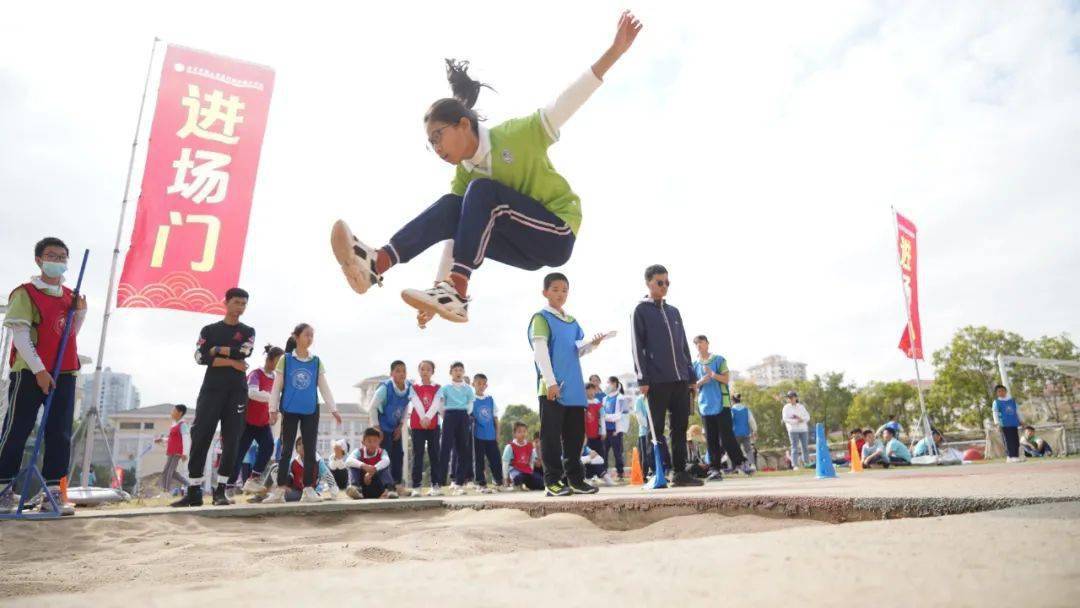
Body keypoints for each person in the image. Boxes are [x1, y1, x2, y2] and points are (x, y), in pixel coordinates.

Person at [330, 11, 643, 326]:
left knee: (480, 192)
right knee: (455, 205)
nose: (437, 149)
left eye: (438, 137)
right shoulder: (464, 174)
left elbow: (569, 100)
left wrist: (614, 51)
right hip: (521, 248)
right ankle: (378, 263)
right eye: (431, 144)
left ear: (463, 125)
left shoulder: (518, 134)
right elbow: (455, 234)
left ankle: (456, 288)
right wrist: (437, 296)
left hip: (557, 232)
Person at [0, 237, 87, 515]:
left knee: (60, 433)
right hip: (29, 372)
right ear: (39, 259)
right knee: (17, 430)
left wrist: (80, 311)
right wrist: (39, 371)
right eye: (52, 256)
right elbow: (22, 336)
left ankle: (52, 494)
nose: (58, 261)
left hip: (66, 371)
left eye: (62, 257)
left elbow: (68, 334)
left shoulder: (69, 296)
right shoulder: (25, 293)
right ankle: (3, 489)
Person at [171, 288, 255, 508]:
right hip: (211, 389)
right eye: (236, 302)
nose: (240, 307)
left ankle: (221, 491)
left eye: (244, 304)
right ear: (225, 302)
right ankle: (194, 491)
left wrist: (216, 352)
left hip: (236, 391)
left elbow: (244, 352)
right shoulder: (209, 329)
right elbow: (200, 357)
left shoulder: (248, 331)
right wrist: (229, 359)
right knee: (200, 436)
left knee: (232, 440)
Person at [530, 272, 610, 497]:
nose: (560, 294)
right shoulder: (541, 318)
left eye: (564, 290)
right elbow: (540, 353)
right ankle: (552, 481)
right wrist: (550, 382)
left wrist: (592, 344)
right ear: (545, 292)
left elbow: (577, 350)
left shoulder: (572, 321)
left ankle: (575, 479)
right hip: (553, 388)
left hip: (574, 389)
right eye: (555, 289)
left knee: (575, 437)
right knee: (551, 437)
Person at [631, 264, 701, 487]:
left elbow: (683, 346)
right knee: (657, 430)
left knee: (680, 428)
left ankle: (680, 473)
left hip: (680, 379)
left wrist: (691, 377)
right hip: (656, 381)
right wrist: (642, 378)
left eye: (667, 283)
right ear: (648, 283)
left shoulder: (674, 312)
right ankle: (662, 471)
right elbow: (636, 346)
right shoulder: (640, 311)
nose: (664, 287)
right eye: (660, 283)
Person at [264, 324, 342, 504]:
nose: (310, 338)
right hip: (290, 410)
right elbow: (277, 386)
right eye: (307, 335)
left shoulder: (316, 361)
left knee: (310, 449)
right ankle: (280, 490)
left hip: (310, 410)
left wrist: (334, 409)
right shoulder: (285, 359)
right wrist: (272, 409)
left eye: (312, 336)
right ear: (296, 337)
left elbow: (324, 387)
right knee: (286, 450)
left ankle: (308, 489)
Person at [229, 344, 283, 495]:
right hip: (246, 422)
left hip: (262, 423)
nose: (280, 366)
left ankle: (252, 479)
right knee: (239, 455)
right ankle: (228, 488)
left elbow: (274, 400)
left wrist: (274, 411)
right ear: (270, 360)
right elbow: (252, 393)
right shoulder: (256, 373)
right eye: (278, 362)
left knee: (268, 447)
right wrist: (272, 397)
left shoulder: (276, 378)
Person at [692, 335, 749, 479]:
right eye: (697, 343)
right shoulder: (694, 365)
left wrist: (712, 374)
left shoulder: (719, 360)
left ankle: (741, 462)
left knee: (727, 436)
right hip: (705, 405)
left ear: (707, 344)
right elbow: (692, 386)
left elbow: (726, 378)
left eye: (701, 342)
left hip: (721, 403)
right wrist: (701, 381)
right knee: (711, 439)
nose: (699, 345)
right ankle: (715, 468)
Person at [435, 362, 476, 495]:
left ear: (463, 372)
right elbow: (441, 405)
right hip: (449, 416)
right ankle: (438, 483)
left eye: (460, 370)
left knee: (462, 450)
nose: (458, 372)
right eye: (455, 370)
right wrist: (445, 416)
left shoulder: (468, 389)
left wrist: (465, 414)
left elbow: (470, 404)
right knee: (445, 449)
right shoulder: (445, 388)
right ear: (451, 372)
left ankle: (459, 483)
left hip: (463, 416)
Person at [372, 360, 413, 489]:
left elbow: (406, 407)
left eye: (404, 371)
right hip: (383, 425)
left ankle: (397, 484)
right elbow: (372, 407)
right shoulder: (385, 388)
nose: (402, 373)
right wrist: (377, 428)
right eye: (398, 371)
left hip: (396, 426)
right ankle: (384, 485)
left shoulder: (408, 388)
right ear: (392, 373)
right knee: (385, 455)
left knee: (398, 454)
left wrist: (401, 426)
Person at [406, 360, 442, 497]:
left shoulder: (438, 387)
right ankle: (416, 486)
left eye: (428, 369)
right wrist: (423, 418)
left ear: (433, 372)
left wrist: (428, 417)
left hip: (433, 425)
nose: (425, 371)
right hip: (417, 425)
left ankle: (436, 485)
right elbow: (416, 403)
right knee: (418, 455)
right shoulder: (413, 387)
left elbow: (436, 404)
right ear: (419, 371)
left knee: (434, 455)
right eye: (422, 369)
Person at [345, 428, 399, 499]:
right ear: (363, 442)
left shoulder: (382, 452)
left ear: (379, 442)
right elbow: (348, 460)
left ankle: (390, 489)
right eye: (369, 441)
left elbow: (386, 461)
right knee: (353, 466)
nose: (372, 444)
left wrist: (372, 471)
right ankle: (355, 488)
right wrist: (364, 466)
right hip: (362, 487)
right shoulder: (358, 451)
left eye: (375, 441)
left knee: (384, 467)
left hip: (377, 486)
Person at [471, 373, 503, 493]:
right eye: (478, 383)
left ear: (486, 385)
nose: (481, 386)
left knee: (495, 459)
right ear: (473, 384)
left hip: (491, 435)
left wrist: (497, 433)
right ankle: (481, 483)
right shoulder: (471, 400)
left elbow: (495, 418)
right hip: (478, 435)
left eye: (483, 384)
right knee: (479, 460)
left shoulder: (490, 399)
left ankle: (499, 482)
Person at [156, 404, 191, 494]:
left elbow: (186, 439)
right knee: (173, 472)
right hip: (171, 451)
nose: (171, 413)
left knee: (167, 471)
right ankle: (190, 485)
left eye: (174, 411)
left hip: (177, 452)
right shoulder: (174, 425)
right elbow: (171, 439)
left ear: (180, 413)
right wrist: (162, 440)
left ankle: (166, 492)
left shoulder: (183, 425)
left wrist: (185, 453)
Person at [601, 376, 629, 481]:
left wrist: (607, 417)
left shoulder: (621, 398)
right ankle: (604, 474)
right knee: (604, 453)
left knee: (617, 453)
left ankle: (620, 473)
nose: (607, 385)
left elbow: (620, 415)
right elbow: (602, 415)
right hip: (605, 431)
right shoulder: (605, 398)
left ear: (614, 383)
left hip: (615, 431)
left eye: (608, 383)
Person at [503, 422, 544, 491]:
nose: (522, 434)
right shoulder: (510, 446)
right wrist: (506, 478)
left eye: (524, 431)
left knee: (541, 483)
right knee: (518, 478)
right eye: (519, 432)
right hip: (515, 471)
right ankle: (515, 485)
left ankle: (526, 485)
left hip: (527, 471)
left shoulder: (529, 446)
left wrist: (531, 472)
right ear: (514, 434)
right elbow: (505, 463)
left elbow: (531, 461)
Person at [992, 384, 1024, 463]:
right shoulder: (996, 402)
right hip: (1004, 424)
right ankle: (1010, 456)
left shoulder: (1012, 401)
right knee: (1008, 441)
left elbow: (1017, 411)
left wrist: (1021, 420)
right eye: (999, 391)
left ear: (1006, 391)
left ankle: (1015, 456)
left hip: (1013, 423)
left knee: (1016, 440)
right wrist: (997, 423)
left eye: (1003, 391)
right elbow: (995, 413)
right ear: (997, 393)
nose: (1001, 392)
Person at [781, 391, 811, 469]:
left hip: (803, 429)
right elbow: (785, 419)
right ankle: (795, 465)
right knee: (794, 447)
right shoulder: (786, 407)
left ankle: (807, 463)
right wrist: (796, 421)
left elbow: (807, 417)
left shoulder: (801, 406)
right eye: (789, 397)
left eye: (792, 397)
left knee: (805, 447)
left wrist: (802, 419)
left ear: (796, 398)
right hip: (793, 430)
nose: (790, 399)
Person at [584, 383, 607, 474]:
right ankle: (589, 476)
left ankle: (602, 474)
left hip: (597, 435)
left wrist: (603, 432)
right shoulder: (583, 403)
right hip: (586, 436)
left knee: (600, 455)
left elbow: (602, 417)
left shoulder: (598, 403)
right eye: (588, 390)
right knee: (588, 456)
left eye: (593, 390)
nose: (591, 392)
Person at [731, 393, 757, 471]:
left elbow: (729, 421)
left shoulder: (732, 410)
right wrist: (754, 430)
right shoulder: (746, 409)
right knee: (748, 450)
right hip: (746, 433)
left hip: (735, 433)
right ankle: (752, 465)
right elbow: (752, 421)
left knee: (736, 450)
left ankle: (737, 467)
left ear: (733, 401)